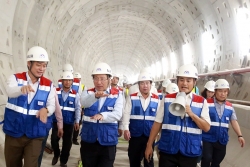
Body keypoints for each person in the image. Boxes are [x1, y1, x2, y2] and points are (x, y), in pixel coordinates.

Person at [145, 64, 211, 167]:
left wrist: (191, 114)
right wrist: (149, 145)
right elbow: (157, 123)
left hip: (189, 151)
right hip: (168, 149)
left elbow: (206, 127)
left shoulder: (201, 102)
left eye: (188, 80)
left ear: (194, 82)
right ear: (177, 81)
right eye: (181, 80)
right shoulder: (167, 99)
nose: (184, 83)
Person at [2, 46, 55, 167]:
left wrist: (46, 110)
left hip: (35, 134)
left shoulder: (49, 85)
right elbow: (10, 91)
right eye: (38, 65)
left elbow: (51, 105)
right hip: (14, 131)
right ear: (29, 63)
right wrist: (21, 89)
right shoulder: (15, 78)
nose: (42, 69)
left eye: (44, 65)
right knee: (12, 164)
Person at [80, 62, 123, 167]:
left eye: (102, 78)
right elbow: (84, 103)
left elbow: (118, 114)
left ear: (109, 79)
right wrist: (95, 96)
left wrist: (103, 115)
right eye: (96, 78)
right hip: (89, 140)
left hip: (108, 142)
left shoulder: (117, 95)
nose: (99, 82)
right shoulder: (87, 92)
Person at [201, 79, 245, 167]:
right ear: (215, 91)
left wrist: (240, 135)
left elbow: (233, 121)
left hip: (222, 139)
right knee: (207, 158)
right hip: (207, 138)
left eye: (225, 91)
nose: (223, 93)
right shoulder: (206, 103)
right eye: (220, 91)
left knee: (217, 161)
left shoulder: (230, 106)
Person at [123, 72, 160, 167]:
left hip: (150, 135)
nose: (145, 86)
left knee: (149, 161)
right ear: (138, 85)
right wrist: (126, 128)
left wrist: (158, 133)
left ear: (151, 84)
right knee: (134, 160)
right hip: (135, 134)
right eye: (142, 83)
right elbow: (126, 113)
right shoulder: (131, 97)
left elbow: (159, 117)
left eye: (147, 83)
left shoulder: (157, 99)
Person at [51, 71, 81, 167]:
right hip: (56, 121)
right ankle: (56, 154)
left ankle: (63, 161)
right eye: (65, 80)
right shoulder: (56, 92)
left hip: (69, 123)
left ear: (72, 82)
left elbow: (77, 108)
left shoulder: (75, 94)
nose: (67, 82)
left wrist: (77, 121)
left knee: (67, 144)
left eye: (69, 80)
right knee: (54, 140)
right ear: (62, 81)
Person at [38, 86, 63, 167]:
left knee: (38, 151)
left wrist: (60, 125)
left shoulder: (49, 89)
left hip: (43, 127)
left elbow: (57, 109)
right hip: (27, 127)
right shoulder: (26, 86)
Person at [72, 72, 86, 145]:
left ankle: (74, 138)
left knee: (77, 123)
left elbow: (84, 98)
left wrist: (83, 109)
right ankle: (71, 138)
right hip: (71, 107)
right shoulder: (70, 84)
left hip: (80, 107)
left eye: (78, 79)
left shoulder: (83, 87)